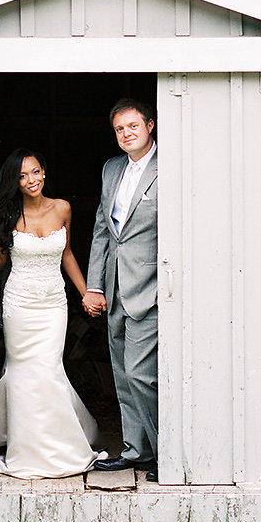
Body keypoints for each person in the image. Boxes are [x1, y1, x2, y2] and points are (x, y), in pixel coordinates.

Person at [0, 148, 106, 479]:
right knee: (23, 373)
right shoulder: (9, 216)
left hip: (53, 304)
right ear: (15, 182)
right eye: (22, 176)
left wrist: (85, 292)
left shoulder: (62, 208)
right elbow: (0, 263)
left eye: (35, 172)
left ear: (44, 172)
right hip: (19, 303)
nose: (30, 180)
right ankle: (28, 449)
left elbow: (67, 254)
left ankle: (62, 445)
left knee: (48, 369)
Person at [83, 99, 159, 482]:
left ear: (149, 126)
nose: (126, 134)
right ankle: (135, 450)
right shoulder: (112, 169)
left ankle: (165, 454)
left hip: (150, 290)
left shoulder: (168, 168)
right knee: (122, 375)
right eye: (119, 129)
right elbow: (102, 229)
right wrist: (95, 285)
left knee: (141, 373)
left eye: (133, 126)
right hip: (113, 287)